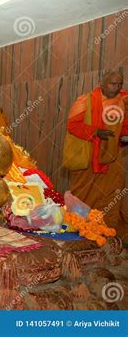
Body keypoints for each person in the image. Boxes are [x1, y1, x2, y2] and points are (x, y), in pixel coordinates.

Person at [66, 71, 128, 243]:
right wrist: (96, 132)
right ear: (102, 83)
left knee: (112, 191)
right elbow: (73, 125)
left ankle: (105, 228)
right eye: (112, 84)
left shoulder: (123, 102)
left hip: (113, 157)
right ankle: (81, 226)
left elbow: (124, 125)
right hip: (89, 155)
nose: (116, 88)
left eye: (119, 84)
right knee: (84, 193)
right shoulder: (85, 100)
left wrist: (124, 137)